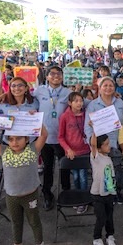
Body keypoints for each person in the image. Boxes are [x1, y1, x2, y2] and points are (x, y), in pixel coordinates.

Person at [0, 116, 49, 245]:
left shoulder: (33, 149)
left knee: (34, 221)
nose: (14, 142)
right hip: (12, 195)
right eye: (11, 139)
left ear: (26, 139)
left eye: (18, 139)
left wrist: (37, 120)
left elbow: (44, 135)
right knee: (16, 222)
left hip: (30, 194)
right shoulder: (4, 151)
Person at [84, 77, 123, 203]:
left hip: (117, 143)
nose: (108, 88)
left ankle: (117, 193)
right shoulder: (93, 105)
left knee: (117, 170)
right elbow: (88, 126)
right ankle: (104, 194)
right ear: (100, 88)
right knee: (103, 172)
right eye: (105, 85)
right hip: (100, 146)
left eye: (111, 85)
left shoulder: (120, 103)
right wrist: (93, 146)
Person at [33, 66, 71, 209]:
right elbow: (25, 99)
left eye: (59, 74)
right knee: (48, 167)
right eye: (52, 74)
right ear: (47, 77)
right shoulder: (40, 91)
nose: (56, 76)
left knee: (65, 165)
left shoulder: (68, 92)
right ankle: (47, 193)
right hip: (45, 137)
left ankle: (66, 191)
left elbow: (80, 103)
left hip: (62, 137)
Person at [58, 92, 91, 198]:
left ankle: (84, 197)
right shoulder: (65, 116)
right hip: (72, 153)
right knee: (76, 176)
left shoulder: (87, 114)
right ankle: (78, 196)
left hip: (85, 151)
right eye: (76, 101)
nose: (79, 103)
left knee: (83, 176)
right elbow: (61, 137)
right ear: (69, 103)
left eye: (81, 101)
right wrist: (67, 149)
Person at [90, 132, 118, 245]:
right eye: (106, 144)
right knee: (101, 217)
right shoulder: (95, 157)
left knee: (109, 216)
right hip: (97, 194)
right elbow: (93, 144)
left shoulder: (108, 157)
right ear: (99, 147)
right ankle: (97, 238)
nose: (109, 146)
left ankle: (110, 235)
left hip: (109, 193)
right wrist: (95, 129)